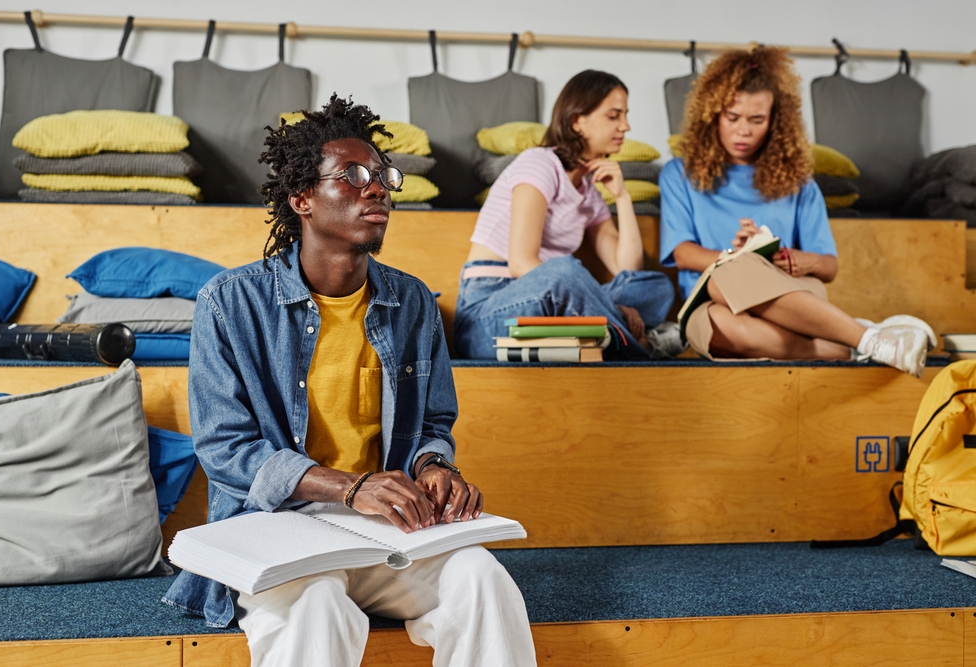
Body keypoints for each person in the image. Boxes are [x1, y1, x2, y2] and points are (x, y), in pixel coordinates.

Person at [163, 95, 536, 667]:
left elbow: (433, 423)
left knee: (482, 579)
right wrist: (349, 488)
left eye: (384, 176)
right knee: (317, 608)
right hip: (278, 527)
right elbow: (225, 449)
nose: (378, 188)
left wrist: (436, 467)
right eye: (353, 176)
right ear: (302, 199)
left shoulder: (411, 300)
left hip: (390, 527)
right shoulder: (230, 303)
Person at [659, 47, 934, 376]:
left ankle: (867, 341)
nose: (743, 130)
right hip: (711, 302)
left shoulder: (800, 183)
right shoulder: (678, 174)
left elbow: (828, 267)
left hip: (789, 294)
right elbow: (684, 254)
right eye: (732, 118)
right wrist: (738, 257)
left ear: (775, 122)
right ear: (713, 114)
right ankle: (850, 343)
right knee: (723, 296)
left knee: (735, 278)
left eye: (756, 119)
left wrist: (800, 260)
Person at [455, 69, 678, 360]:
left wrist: (622, 197)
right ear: (577, 122)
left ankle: (610, 330)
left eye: (625, 115)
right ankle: (642, 351)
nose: (625, 126)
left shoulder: (589, 192)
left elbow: (627, 268)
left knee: (653, 286)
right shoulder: (539, 164)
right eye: (614, 116)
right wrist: (609, 306)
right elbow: (522, 264)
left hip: (549, 312)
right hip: (488, 314)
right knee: (564, 270)